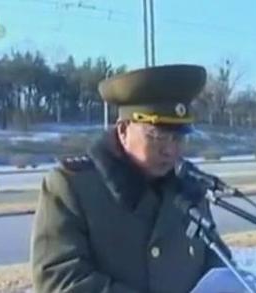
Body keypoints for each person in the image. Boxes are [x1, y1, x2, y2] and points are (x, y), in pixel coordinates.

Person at [30, 64, 231, 293]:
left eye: (177, 138)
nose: (169, 150)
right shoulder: (73, 187)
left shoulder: (188, 188)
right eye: (156, 136)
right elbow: (58, 280)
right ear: (123, 130)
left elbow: (218, 262)